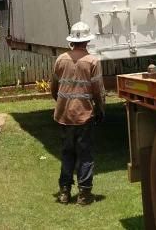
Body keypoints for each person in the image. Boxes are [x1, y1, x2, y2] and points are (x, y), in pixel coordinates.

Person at [51, 21, 105, 206]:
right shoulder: (93, 61)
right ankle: (84, 194)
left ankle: (64, 193)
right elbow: (98, 90)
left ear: (72, 40)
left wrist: (61, 103)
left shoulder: (60, 59)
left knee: (67, 153)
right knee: (85, 155)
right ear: (87, 41)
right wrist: (100, 109)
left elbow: (54, 88)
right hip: (84, 116)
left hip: (64, 115)